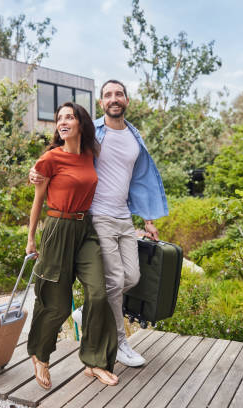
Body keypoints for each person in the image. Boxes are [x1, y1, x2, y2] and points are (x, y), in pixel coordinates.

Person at [30, 80, 168, 367]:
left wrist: (149, 219)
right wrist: (36, 171)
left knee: (132, 278)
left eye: (119, 94)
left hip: (124, 217)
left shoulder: (134, 135)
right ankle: (120, 344)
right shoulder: (92, 132)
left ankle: (87, 310)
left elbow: (139, 180)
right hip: (98, 217)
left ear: (127, 101)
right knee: (114, 281)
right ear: (101, 103)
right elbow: (63, 151)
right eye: (108, 95)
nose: (114, 99)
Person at [26, 102, 119, 390]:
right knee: (56, 302)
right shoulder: (50, 159)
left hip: (85, 229)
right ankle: (40, 356)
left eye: (69, 117)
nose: (63, 121)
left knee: (99, 293)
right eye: (59, 118)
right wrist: (30, 238)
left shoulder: (92, 153)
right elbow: (38, 200)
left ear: (80, 123)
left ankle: (95, 361)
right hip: (57, 228)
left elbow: (114, 129)